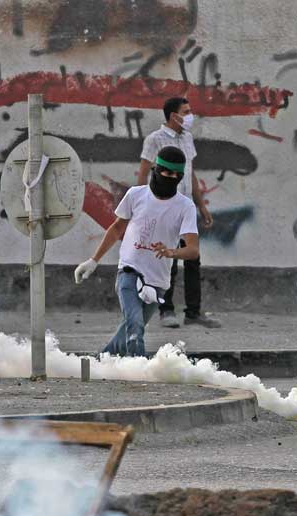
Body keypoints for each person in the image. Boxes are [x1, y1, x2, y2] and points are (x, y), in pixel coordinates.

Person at [73, 146, 199, 357]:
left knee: (128, 332)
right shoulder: (136, 195)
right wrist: (93, 261)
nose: (172, 178)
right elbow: (116, 229)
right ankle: (140, 374)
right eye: (167, 173)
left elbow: (193, 249)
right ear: (156, 170)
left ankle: (97, 364)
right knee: (135, 326)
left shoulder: (185, 207)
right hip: (129, 272)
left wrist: (171, 252)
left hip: (157, 283)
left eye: (177, 175)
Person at [137, 96, 221, 329]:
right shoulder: (155, 140)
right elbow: (143, 173)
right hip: (164, 206)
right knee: (169, 259)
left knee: (192, 258)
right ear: (174, 116)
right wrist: (143, 206)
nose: (190, 115)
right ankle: (166, 311)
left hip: (185, 208)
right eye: (186, 111)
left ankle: (193, 313)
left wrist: (201, 205)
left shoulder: (187, 138)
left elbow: (190, 173)